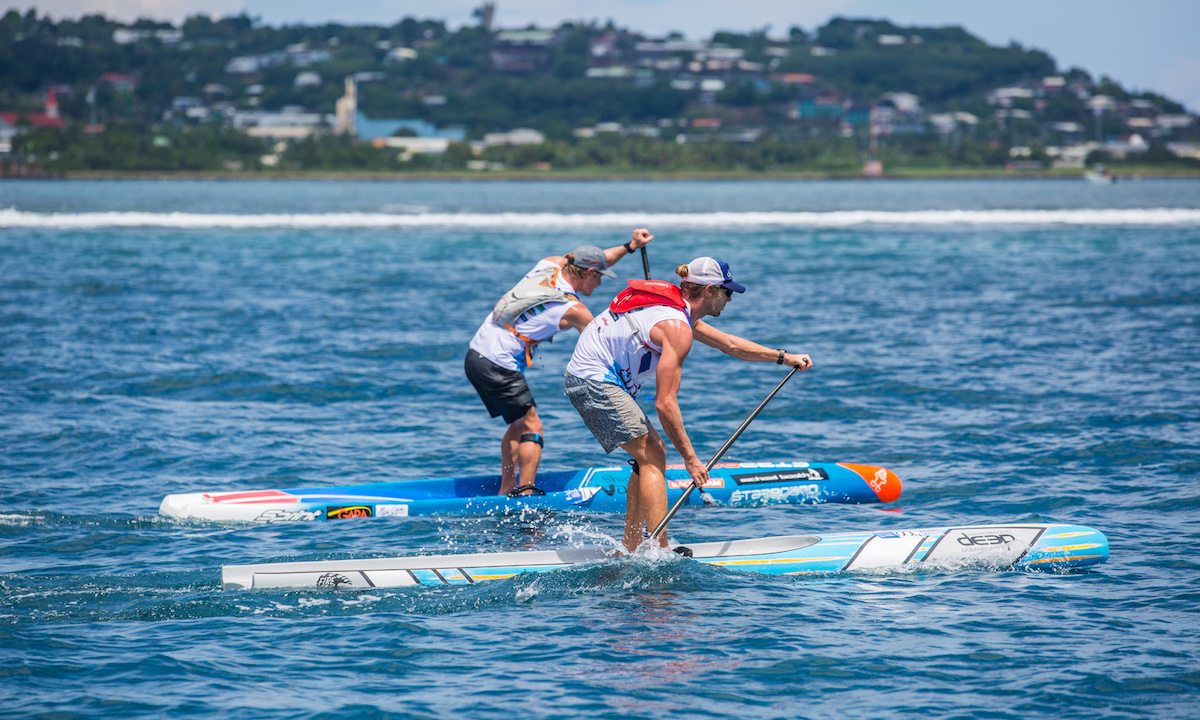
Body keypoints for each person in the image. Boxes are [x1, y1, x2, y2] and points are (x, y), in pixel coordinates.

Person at [564, 256, 813, 552]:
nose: (729, 301)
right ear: (709, 291)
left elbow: (730, 345)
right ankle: (660, 550)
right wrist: (691, 459)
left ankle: (631, 545)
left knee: (649, 456)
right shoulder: (677, 326)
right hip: (593, 381)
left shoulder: (673, 310)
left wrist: (783, 357)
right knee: (655, 453)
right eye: (728, 292)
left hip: (590, 377)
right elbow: (665, 404)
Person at [466, 230, 654, 496]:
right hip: (499, 364)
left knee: (518, 424)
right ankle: (525, 495)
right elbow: (601, 345)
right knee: (533, 427)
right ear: (588, 274)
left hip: (476, 355)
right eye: (599, 277)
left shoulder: (551, 263)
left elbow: (598, 259)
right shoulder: (575, 310)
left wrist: (630, 246)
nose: (600, 284)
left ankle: (506, 489)